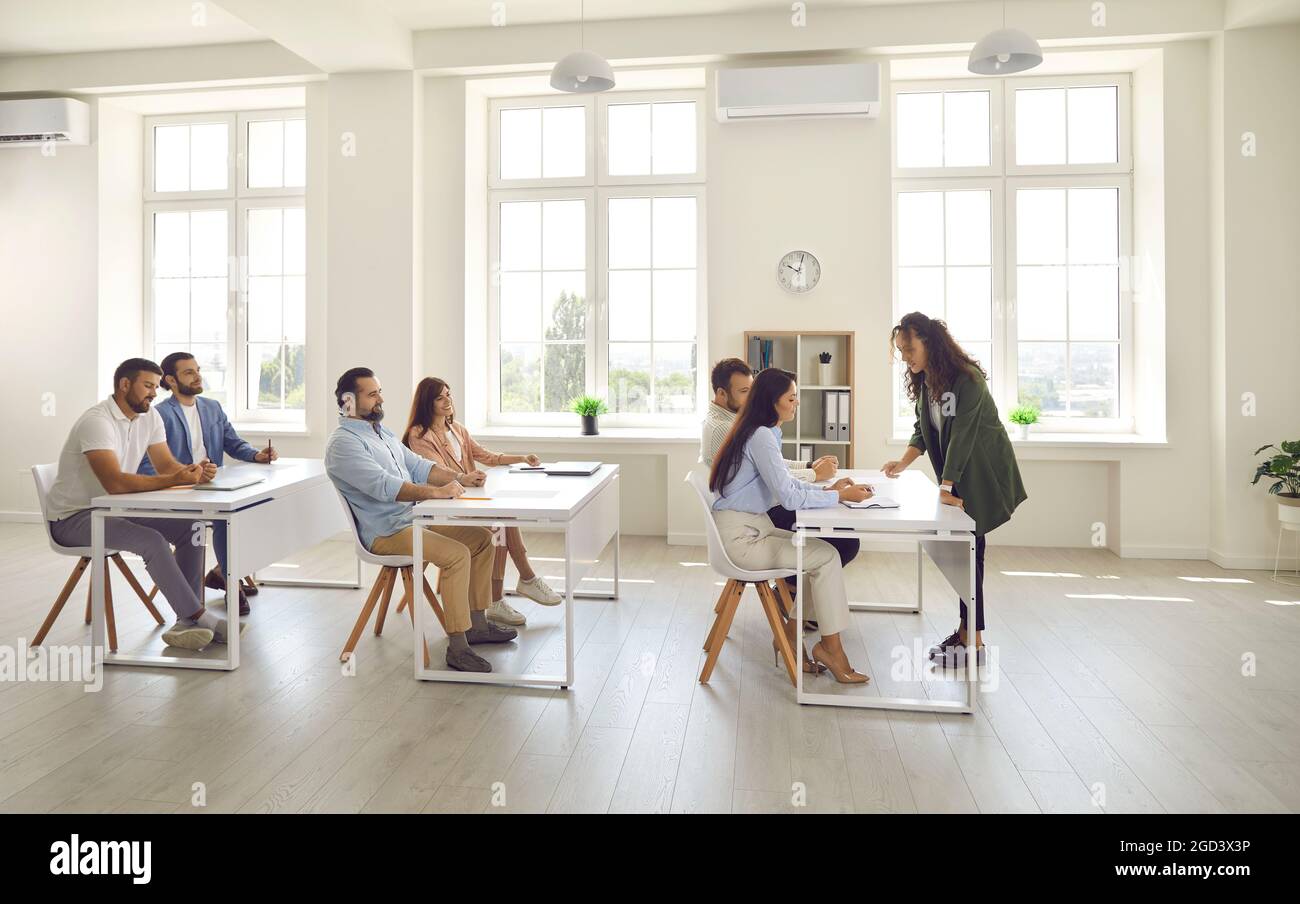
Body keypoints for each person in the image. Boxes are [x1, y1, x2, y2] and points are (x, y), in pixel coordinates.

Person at [324, 367, 516, 673]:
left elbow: (419, 466)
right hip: (387, 532)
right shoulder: (343, 444)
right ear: (348, 400)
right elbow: (386, 487)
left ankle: (477, 625)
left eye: (380, 392)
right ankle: (458, 647)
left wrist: (460, 477)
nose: (380, 399)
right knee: (456, 555)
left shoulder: (380, 433)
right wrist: (437, 494)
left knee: (481, 539)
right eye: (372, 394)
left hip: (411, 520)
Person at [46, 357, 242, 651]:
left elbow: (165, 466)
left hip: (113, 510)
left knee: (193, 527)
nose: (155, 392)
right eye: (148, 385)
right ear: (125, 385)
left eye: (155, 386)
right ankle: (200, 618)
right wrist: (175, 478)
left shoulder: (148, 416)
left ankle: (185, 622)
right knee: (151, 540)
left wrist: (193, 474)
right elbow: (115, 483)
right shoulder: (97, 422)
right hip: (73, 519)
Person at [709, 367, 873, 683]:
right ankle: (829, 649)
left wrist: (833, 491)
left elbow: (788, 485)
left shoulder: (760, 432)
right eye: (791, 398)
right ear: (773, 402)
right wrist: (838, 497)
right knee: (826, 557)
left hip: (751, 529)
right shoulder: (759, 436)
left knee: (825, 554)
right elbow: (788, 497)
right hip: (743, 540)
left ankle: (793, 637)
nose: (796, 404)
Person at [883, 312, 1027, 666]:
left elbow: (961, 435)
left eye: (909, 349)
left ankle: (973, 643)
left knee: (970, 555)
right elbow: (923, 429)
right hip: (957, 475)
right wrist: (903, 462)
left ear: (929, 343)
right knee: (966, 555)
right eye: (901, 351)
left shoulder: (967, 380)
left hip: (982, 476)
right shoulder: (929, 381)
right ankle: (967, 634)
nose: (905, 357)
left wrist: (946, 485)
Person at [401, 377, 562, 628]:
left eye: (449, 394)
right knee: (498, 525)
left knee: (503, 519)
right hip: (443, 509)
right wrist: (465, 478)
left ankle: (506, 594)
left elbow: (486, 455)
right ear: (427, 403)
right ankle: (516, 586)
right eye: (440, 397)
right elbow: (435, 472)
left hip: (466, 502)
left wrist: (521, 457)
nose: (448, 401)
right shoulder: (419, 435)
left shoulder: (458, 430)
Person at [139, 352, 277, 616]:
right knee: (228, 517)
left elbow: (233, 443)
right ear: (171, 380)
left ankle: (221, 571)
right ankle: (231, 583)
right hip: (182, 492)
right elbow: (149, 465)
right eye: (189, 372)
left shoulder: (212, 407)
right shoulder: (159, 415)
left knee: (259, 507)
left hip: (212, 489)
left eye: (198, 370)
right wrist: (186, 478)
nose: (198, 375)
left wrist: (256, 455)